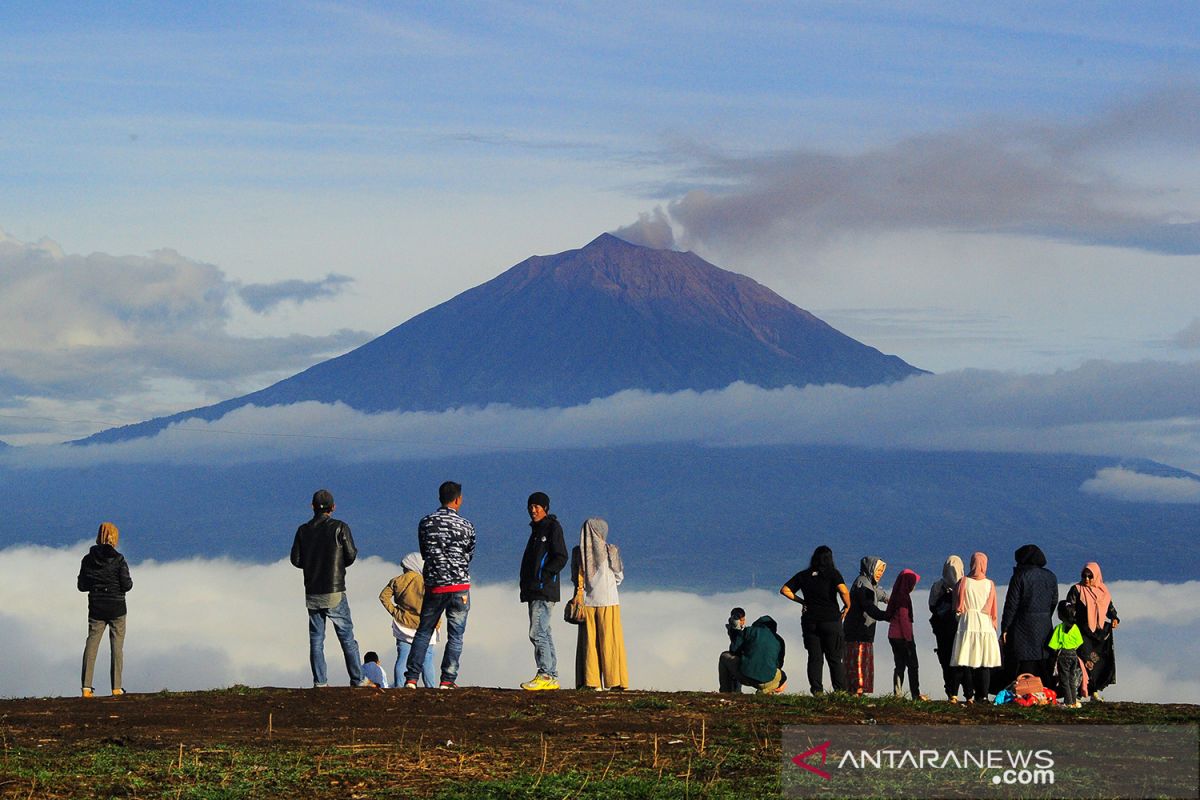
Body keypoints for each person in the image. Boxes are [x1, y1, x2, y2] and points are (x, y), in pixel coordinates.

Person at [290, 489, 374, 688]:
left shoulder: (303, 530)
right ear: (333, 507)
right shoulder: (340, 527)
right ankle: (358, 679)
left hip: (312, 591)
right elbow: (351, 555)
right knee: (347, 637)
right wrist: (337, 565)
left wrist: (311, 566)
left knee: (316, 639)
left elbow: (296, 560)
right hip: (335, 589)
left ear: (312, 507)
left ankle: (320, 682)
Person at [404, 481, 476, 690]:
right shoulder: (467, 525)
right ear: (458, 499)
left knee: (424, 631)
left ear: (440, 498)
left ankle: (411, 678)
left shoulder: (426, 523)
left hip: (435, 584)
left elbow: (424, 553)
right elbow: (469, 554)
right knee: (456, 635)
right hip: (459, 586)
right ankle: (447, 680)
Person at [781, 545, 850, 694]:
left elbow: (785, 590)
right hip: (831, 620)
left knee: (815, 658)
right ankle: (841, 692)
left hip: (810, 621)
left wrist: (802, 601)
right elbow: (843, 590)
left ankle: (817, 691)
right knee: (834, 659)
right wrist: (848, 605)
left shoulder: (803, 575)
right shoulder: (833, 574)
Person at [518, 491, 568, 691]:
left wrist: (544, 576)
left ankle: (545, 673)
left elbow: (561, 556)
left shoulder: (551, 528)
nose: (533, 510)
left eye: (537, 506)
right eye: (531, 506)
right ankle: (551, 675)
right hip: (535, 589)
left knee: (537, 631)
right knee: (544, 631)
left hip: (543, 589)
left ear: (545, 508)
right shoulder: (537, 530)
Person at [77, 522, 133, 698]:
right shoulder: (119, 559)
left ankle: (86, 687)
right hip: (117, 607)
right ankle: (116, 688)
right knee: (117, 647)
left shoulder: (88, 559)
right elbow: (127, 585)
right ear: (115, 537)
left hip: (96, 607)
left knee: (92, 644)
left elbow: (82, 586)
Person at [572, 517, 628, 691]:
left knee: (589, 645)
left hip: (587, 603)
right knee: (611, 643)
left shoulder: (578, 554)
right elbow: (619, 577)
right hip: (609, 602)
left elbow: (576, 579)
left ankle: (591, 681)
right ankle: (616, 681)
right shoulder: (611, 550)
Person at [999, 544, 1058, 688]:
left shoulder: (1020, 576)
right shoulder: (1050, 576)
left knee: (1023, 661)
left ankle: (1025, 691)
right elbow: (1054, 601)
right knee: (1043, 660)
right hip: (1044, 624)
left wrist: (1005, 627)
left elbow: (1011, 604)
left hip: (1022, 625)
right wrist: (1045, 616)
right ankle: (1045, 690)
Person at [379, 552, 439, 687]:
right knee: (427, 659)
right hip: (426, 624)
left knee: (403, 658)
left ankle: (400, 686)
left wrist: (395, 612)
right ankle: (431, 687)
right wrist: (437, 621)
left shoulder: (397, 580)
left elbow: (383, 597)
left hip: (403, 624)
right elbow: (436, 603)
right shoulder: (427, 582)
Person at [950, 552, 1001, 703]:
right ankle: (983, 695)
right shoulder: (990, 584)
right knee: (984, 662)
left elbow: (958, 606)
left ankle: (968, 695)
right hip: (985, 624)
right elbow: (993, 608)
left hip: (968, 622)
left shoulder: (963, 581)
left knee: (966, 659)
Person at [1065, 561, 1120, 700]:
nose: (1087, 579)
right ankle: (1079, 692)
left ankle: (1094, 691)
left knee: (1098, 662)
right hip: (1082, 633)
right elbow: (1069, 607)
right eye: (1084, 576)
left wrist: (1114, 618)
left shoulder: (1103, 591)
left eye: (1090, 576)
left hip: (1099, 634)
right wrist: (1071, 622)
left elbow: (1109, 608)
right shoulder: (1077, 589)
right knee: (1083, 661)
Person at [843, 556, 888, 695]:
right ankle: (856, 691)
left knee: (861, 663)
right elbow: (868, 606)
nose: (880, 573)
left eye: (882, 571)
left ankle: (857, 691)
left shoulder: (870, 585)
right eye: (878, 570)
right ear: (871, 569)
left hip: (864, 633)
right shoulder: (862, 585)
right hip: (857, 632)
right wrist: (886, 615)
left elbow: (882, 595)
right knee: (858, 663)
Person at [928, 555, 965, 702]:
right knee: (960, 660)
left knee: (945, 659)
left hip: (941, 629)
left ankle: (950, 691)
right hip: (959, 628)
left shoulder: (937, 586)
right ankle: (966, 692)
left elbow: (931, 606)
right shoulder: (964, 585)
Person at [718, 615, 787, 694]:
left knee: (724, 656)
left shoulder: (749, 631)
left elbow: (734, 650)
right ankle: (765, 691)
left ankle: (725, 691)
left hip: (745, 676)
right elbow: (779, 664)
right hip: (767, 681)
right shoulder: (780, 640)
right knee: (783, 677)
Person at [885, 568, 926, 700]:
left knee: (899, 665)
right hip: (903, 637)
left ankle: (897, 693)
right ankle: (915, 693)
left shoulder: (896, 595)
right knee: (913, 665)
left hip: (893, 636)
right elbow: (904, 620)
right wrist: (909, 639)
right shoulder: (903, 599)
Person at [1048, 600, 1083, 708]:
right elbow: (1079, 642)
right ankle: (1074, 700)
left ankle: (1068, 702)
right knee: (1072, 678)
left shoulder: (1059, 628)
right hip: (1074, 654)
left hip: (1063, 654)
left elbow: (1053, 645)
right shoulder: (1075, 628)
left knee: (1064, 679)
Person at [718, 607, 747, 692]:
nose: (742, 622)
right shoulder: (734, 630)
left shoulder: (743, 632)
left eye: (743, 620)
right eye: (740, 620)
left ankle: (732, 691)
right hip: (737, 657)